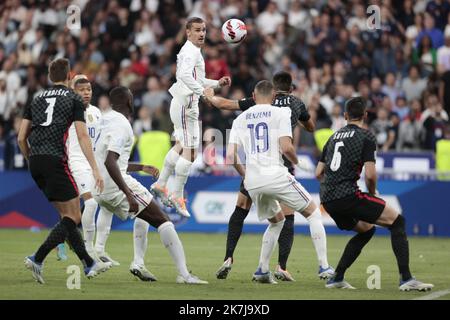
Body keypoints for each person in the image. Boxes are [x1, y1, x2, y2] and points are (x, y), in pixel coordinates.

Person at [206, 72, 333, 282]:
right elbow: (287, 147)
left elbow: (230, 156)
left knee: (276, 222)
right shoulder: (282, 112)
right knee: (313, 214)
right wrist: (299, 163)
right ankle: (324, 267)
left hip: (253, 180)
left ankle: (262, 270)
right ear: (273, 95)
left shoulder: (240, 118)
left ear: (253, 96)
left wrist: (246, 176)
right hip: (276, 174)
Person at [316, 96, 434, 291]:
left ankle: (337, 277)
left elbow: (318, 173)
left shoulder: (332, 137)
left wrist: (333, 186)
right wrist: (373, 194)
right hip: (348, 196)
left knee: (367, 230)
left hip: (327, 199)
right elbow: (370, 175)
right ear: (365, 115)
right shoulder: (366, 136)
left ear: (345, 116)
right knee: (398, 222)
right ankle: (406, 279)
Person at [93, 86, 207, 284]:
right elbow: (110, 161)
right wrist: (127, 194)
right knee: (164, 221)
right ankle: (184, 274)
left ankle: (138, 262)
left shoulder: (103, 120)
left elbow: (110, 159)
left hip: (99, 186)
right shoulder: (123, 124)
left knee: (144, 214)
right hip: (115, 186)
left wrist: (141, 166)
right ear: (129, 102)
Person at [17, 58, 111, 284]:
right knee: (74, 215)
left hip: (36, 161)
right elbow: (81, 135)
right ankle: (37, 258)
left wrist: (31, 158)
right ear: (69, 76)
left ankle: (89, 263)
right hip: (56, 159)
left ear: (50, 76)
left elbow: (21, 137)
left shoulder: (36, 97)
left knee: (65, 216)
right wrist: (96, 169)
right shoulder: (73, 99)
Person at [151, 17, 231, 217]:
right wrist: (204, 93)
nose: (201, 33)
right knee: (191, 152)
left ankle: (161, 185)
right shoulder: (190, 51)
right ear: (188, 32)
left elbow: (196, 78)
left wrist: (216, 84)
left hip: (183, 102)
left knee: (180, 145)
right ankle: (177, 196)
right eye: (197, 30)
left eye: (203, 29)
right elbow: (185, 76)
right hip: (187, 105)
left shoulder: (193, 51)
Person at [64, 74, 122, 266]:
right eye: (81, 90)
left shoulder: (97, 112)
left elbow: (99, 139)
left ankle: (99, 250)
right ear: (73, 91)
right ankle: (88, 250)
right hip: (77, 162)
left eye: (88, 89)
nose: (86, 93)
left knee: (106, 204)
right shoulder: (69, 110)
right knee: (90, 204)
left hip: (94, 163)